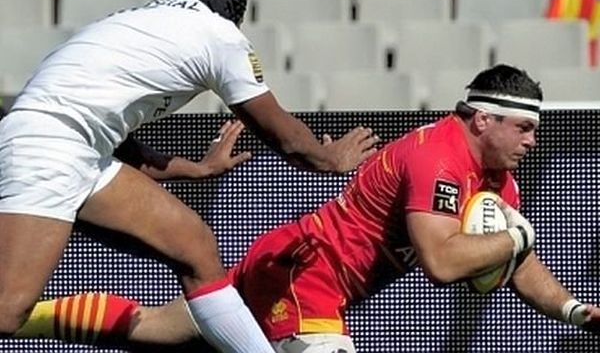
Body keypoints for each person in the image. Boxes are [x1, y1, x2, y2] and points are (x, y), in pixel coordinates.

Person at [13, 64, 600, 352]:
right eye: (522, 128)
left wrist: (575, 310)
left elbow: (515, 260)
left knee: (158, 328)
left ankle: (20, 315)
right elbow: (446, 262)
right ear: (483, 118)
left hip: (293, 265)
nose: (532, 141)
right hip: (304, 277)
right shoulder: (439, 156)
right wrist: (516, 238)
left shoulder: (496, 178)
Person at [0, 0, 379, 353]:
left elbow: (122, 147)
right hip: (50, 150)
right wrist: (329, 157)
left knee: (195, 247)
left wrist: (197, 169)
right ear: (234, 14)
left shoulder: (134, 24)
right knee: (8, 313)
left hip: (72, 148)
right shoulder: (220, 36)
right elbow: (285, 138)